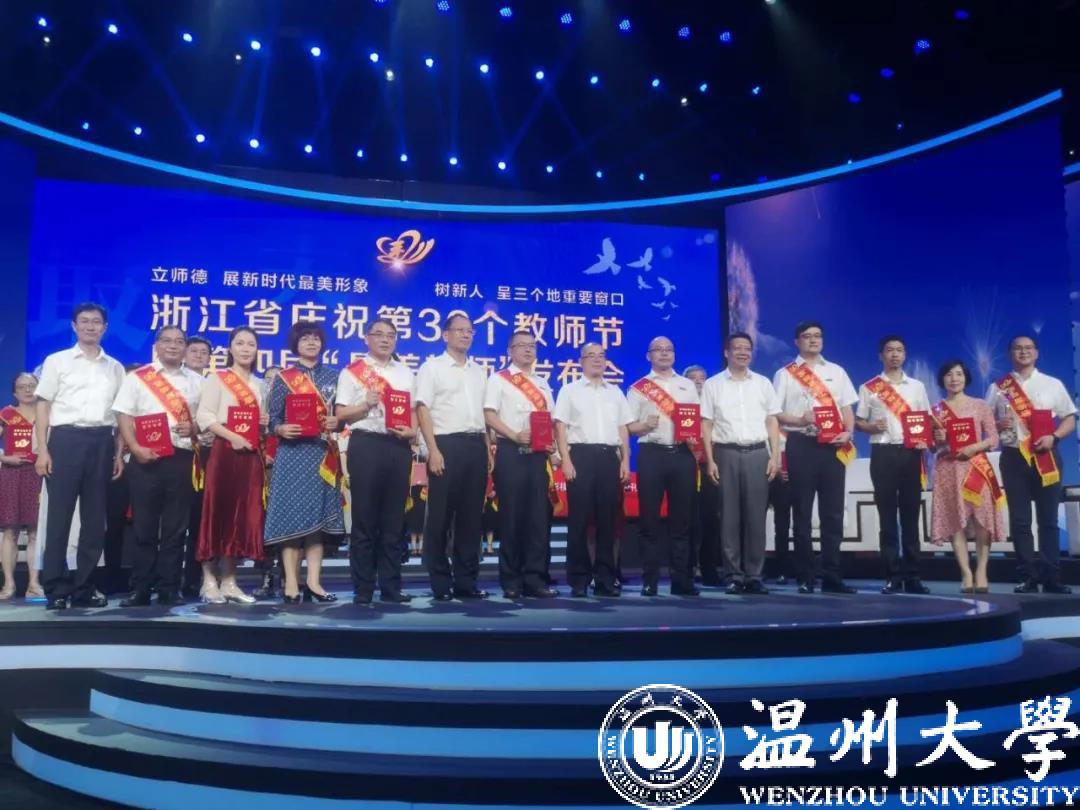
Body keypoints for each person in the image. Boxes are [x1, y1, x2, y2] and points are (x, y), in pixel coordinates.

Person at [35, 303, 126, 610]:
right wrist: (43, 449)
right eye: (84, 321)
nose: (90, 326)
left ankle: (84, 586)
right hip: (65, 440)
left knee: (94, 520)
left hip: (101, 442)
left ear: (105, 328)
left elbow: (120, 414)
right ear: (74, 326)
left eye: (96, 322)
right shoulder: (57, 361)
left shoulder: (114, 367)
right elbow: (43, 406)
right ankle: (56, 588)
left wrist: (118, 453)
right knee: (59, 518)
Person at [111, 327, 203, 607]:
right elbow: (123, 415)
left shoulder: (198, 381)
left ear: (185, 347)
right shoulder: (138, 378)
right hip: (144, 458)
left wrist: (194, 427)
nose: (173, 346)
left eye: (179, 342)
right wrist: (134, 447)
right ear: (157, 345)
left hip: (182, 457)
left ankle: (169, 588)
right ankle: (140, 588)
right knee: (144, 527)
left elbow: (207, 419)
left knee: (176, 528)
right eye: (167, 341)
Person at [986, 335, 1077, 594]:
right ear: (1010, 354)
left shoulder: (1052, 384)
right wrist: (996, 425)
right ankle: (1027, 575)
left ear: (1036, 353)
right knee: (1020, 520)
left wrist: (1054, 437)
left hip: (1046, 455)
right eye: (1018, 348)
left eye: (1028, 348)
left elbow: (1070, 419)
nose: (1023, 352)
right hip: (1014, 456)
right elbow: (986, 422)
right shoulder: (998, 387)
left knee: (1048, 520)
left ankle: (1052, 576)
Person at [773, 321, 859, 594]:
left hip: (832, 447)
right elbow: (776, 414)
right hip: (801, 444)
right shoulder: (785, 374)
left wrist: (848, 433)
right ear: (797, 341)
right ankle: (805, 575)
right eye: (807, 336)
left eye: (818, 336)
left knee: (833, 513)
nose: (813, 340)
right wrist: (800, 420)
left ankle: (832, 575)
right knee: (801, 512)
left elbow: (847, 409)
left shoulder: (836, 371)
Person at [337, 318, 417, 604]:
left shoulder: (405, 373)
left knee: (394, 520)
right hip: (366, 444)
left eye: (391, 335)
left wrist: (413, 431)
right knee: (364, 519)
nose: (385, 340)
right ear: (366, 338)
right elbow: (340, 414)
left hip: (398, 446)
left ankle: (391, 587)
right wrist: (365, 404)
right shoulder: (352, 372)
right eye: (379, 334)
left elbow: (414, 410)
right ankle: (363, 588)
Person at [264, 322, 345, 604]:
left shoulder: (334, 377)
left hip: (322, 454)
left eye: (316, 338)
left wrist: (338, 421)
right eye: (305, 338)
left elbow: (340, 416)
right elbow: (272, 419)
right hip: (292, 454)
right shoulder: (283, 378)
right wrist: (280, 428)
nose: (311, 342)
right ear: (295, 344)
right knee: (291, 519)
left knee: (317, 522)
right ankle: (290, 583)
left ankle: (314, 582)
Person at [416, 313, 491, 601]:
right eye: (459, 330)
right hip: (445, 445)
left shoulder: (479, 371)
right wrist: (432, 450)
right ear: (445, 335)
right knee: (440, 517)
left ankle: (466, 582)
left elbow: (482, 415)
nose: (465, 335)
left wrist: (487, 447)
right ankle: (440, 582)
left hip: (476, 445)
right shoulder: (432, 368)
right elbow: (422, 409)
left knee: (471, 518)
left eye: (469, 330)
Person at [701, 333, 782, 595]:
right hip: (725, 453)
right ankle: (734, 575)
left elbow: (772, 421)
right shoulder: (713, 384)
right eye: (737, 348)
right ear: (727, 352)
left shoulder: (762, 383)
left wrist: (775, 456)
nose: (743, 352)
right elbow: (706, 424)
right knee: (729, 518)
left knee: (756, 516)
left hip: (758, 453)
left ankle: (754, 575)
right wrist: (710, 460)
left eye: (747, 348)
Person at [855, 336, 933, 595]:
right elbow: (858, 422)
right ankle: (892, 575)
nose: (895, 354)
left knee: (911, 516)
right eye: (890, 350)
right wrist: (870, 426)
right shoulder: (869, 387)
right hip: (883, 453)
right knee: (887, 516)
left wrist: (924, 439)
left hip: (911, 454)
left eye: (899, 350)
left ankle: (913, 575)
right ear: (881, 355)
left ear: (905, 355)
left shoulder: (917, 387)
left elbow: (926, 420)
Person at [554, 342, 632, 598]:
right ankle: (578, 580)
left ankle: (605, 580)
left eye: (601, 356)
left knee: (608, 521)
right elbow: (560, 427)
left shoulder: (615, 392)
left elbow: (623, 428)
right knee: (578, 520)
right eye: (591, 356)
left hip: (609, 457)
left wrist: (625, 461)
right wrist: (565, 460)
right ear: (581, 361)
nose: (597, 360)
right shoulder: (570, 390)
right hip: (581, 456)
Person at [484, 330, 558, 599]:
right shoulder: (499, 379)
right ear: (510, 350)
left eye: (532, 346)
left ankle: (536, 579)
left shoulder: (543, 383)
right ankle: (511, 581)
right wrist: (514, 434)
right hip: (511, 452)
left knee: (538, 519)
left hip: (538, 457)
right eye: (521, 345)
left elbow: (551, 420)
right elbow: (489, 415)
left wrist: (552, 446)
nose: (528, 350)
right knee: (512, 518)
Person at [195, 326, 266, 604]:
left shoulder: (260, 384)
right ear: (230, 348)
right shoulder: (218, 378)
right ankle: (208, 582)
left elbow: (260, 422)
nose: (246, 349)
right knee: (217, 513)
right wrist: (233, 437)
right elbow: (205, 416)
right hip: (224, 451)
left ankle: (230, 581)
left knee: (241, 517)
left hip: (250, 454)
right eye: (240, 343)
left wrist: (263, 422)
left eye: (251, 344)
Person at [627, 337, 700, 596]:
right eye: (658, 350)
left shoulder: (687, 385)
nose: (664, 354)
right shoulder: (639, 388)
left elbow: (695, 420)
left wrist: (693, 436)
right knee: (649, 520)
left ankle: (682, 580)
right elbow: (628, 427)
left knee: (682, 521)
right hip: (652, 455)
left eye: (669, 349)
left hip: (682, 455)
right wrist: (645, 425)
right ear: (649, 356)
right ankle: (650, 580)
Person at [930, 360, 1004, 592]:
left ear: (966, 378)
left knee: (982, 521)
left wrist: (974, 448)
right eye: (949, 374)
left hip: (976, 467)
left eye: (959, 374)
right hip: (948, 470)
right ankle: (965, 573)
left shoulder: (980, 405)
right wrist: (937, 439)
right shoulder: (935, 410)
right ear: (942, 379)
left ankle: (981, 571)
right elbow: (931, 447)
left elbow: (993, 438)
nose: (954, 379)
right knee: (956, 522)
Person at [0, 373, 42, 599]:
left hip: (38, 474)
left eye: (32, 385)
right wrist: (5, 458)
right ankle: (9, 584)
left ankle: (34, 583)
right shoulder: (6, 415)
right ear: (14, 392)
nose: (27, 390)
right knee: (10, 531)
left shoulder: (46, 414)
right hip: (12, 475)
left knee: (36, 531)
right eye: (22, 387)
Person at [180, 336, 212, 599]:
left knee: (199, 519)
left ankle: (194, 579)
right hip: (181, 454)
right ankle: (166, 578)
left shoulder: (214, 383)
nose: (199, 356)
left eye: (204, 352)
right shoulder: (173, 383)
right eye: (194, 351)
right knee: (176, 520)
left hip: (208, 456)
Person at [683, 364, 721, 586]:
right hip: (686, 466)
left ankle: (709, 569)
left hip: (710, 468)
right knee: (687, 520)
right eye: (693, 378)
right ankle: (688, 568)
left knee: (710, 520)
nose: (698, 381)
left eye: (702, 378)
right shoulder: (681, 405)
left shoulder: (715, 405)